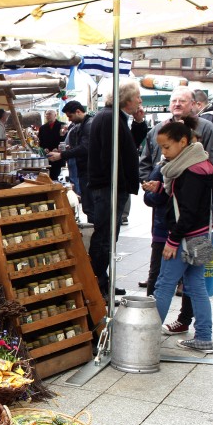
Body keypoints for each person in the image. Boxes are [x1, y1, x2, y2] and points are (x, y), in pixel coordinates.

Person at [142, 117, 213, 352]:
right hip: (203, 234)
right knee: (197, 286)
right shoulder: (200, 163)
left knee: (164, 285)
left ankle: (145, 341)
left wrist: (173, 240)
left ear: (183, 142)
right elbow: (184, 200)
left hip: (186, 237)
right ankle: (204, 337)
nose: (164, 152)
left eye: (166, 147)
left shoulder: (189, 170)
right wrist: (160, 188)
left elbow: (187, 211)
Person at [87, 80, 142, 297]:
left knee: (109, 235)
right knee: (105, 236)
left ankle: (103, 280)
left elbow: (129, 145)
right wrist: (119, 186)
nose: (140, 101)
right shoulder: (109, 118)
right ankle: (97, 283)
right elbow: (110, 157)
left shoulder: (115, 117)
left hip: (112, 186)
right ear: (127, 99)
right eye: (137, 97)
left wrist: (139, 122)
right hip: (109, 187)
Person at [49, 101, 94, 224]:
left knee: (91, 207)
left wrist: (62, 155)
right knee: (89, 206)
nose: (69, 119)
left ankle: (95, 230)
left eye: (70, 116)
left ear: (78, 112)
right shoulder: (82, 124)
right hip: (85, 170)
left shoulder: (89, 124)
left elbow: (85, 148)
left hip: (89, 170)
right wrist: (69, 150)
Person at [38, 109, 65, 181]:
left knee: (55, 174)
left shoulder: (62, 125)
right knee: (47, 174)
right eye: (46, 114)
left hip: (57, 154)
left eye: (49, 114)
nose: (47, 116)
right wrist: (44, 147)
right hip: (47, 154)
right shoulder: (42, 128)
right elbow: (41, 141)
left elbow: (64, 139)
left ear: (55, 115)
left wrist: (58, 148)